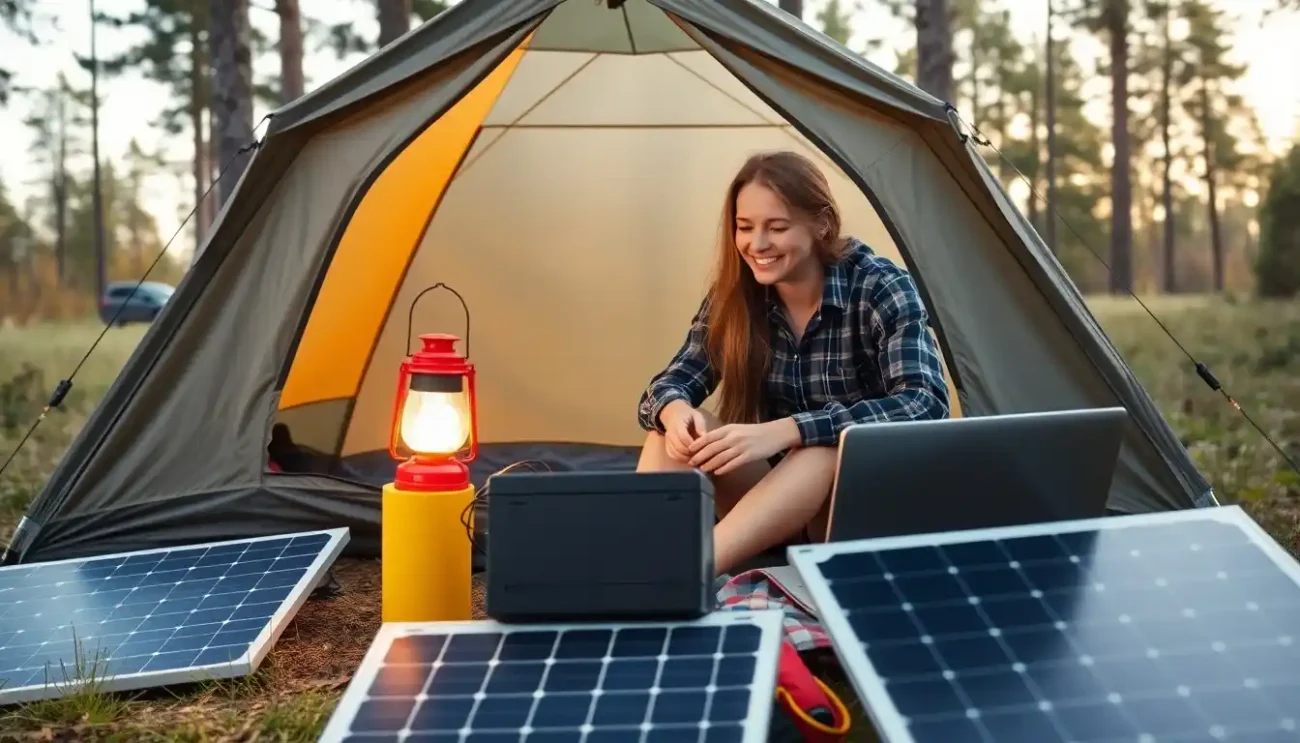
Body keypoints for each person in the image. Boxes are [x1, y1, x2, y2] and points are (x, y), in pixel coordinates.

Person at [635, 150, 951, 577]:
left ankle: (686, 574)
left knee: (820, 450)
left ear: (821, 224)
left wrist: (790, 430)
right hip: (772, 507)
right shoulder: (737, 295)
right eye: (744, 228)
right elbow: (670, 383)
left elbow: (925, 403)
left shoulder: (880, 285)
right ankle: (639, 573)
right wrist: (674, 414)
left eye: (776, 227)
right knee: (669, 436)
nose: (757, 245)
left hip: (857, 510)